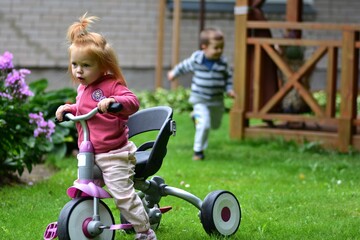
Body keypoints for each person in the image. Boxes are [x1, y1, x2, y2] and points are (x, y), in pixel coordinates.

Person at [55, 13, 156, 240]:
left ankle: (145, 232)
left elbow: (132, 102)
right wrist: (69, 109)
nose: (78, 71)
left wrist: (114, 103)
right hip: (90, 153)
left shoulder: (111, 85)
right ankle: (84, 220)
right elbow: (83, 110)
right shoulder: (83, 88)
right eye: (74, 65)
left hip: (114, 155)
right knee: (87, 189)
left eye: (86, 65)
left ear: (103, 66)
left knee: (122, 196)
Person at [167, 27, 236, 161]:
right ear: (204, 47)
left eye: (222, 47)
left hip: (217, 100)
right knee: (205, 125)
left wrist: (229, 90)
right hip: (200, 99)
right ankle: (198, 152)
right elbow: (183, 66)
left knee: (215, 124)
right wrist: (174, 73)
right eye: (216, 48)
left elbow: (228, 77)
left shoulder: (223, 63)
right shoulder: (196, 60)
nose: (219, 51)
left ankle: (195, 117)